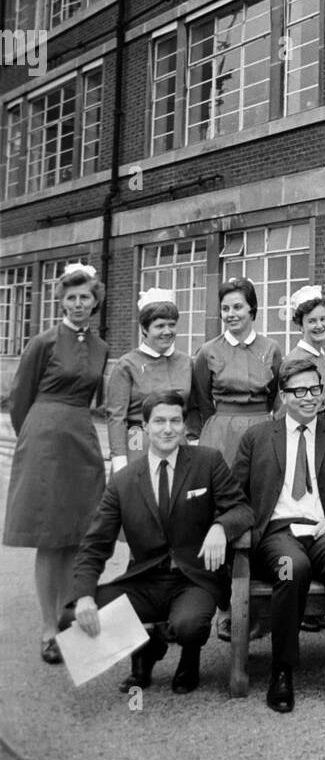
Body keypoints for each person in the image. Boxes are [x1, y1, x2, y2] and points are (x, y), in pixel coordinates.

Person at [65, 391, 253, 694]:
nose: (168, 429)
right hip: (146, 578)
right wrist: (85, 596)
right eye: (160, 421)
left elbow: (242, 509)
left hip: (194, 578)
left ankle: (189, 658)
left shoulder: (208, 462)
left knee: (189, 625)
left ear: (183, 425)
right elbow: (95, 545)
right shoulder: (124, 481)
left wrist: (220, 526)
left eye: (175, 421)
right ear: (145, 426)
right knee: (70, 620)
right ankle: (147, 646)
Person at [232, 357, 325, 713]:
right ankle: (282, 671)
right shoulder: (258, 437)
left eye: (315, 390)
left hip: (324, 527)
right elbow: (236, 494)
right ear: (283, 396)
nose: (309, 397)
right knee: (292, 567)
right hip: (278, 531)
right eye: (299, 390)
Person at [3, 262, 109, 666]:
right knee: (50, 538)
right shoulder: (43, 342)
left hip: (82, 440)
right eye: (70, 297)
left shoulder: (101, 347)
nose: (78, 303)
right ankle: (49, 630)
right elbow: (20, 399)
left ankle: (71, 620)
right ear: (60, 301)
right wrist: (37, 435)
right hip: (45, 441)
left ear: (95, 300)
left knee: (79, 534)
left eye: (85, 297)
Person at [190, 277, 282, 466]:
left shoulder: (271, 348)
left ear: (252, 308)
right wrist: (214, 427)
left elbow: (274, 394)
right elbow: (202, 398)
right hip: (221, 431)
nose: (231, 314)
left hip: (262, 426)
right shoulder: (208, 351)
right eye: (225, 309)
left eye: (237, 307)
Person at [105, 289, 198, 471]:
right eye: (160, 326)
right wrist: (120, 460)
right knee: (140, 490)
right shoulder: (127, 364)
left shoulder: (186, 362)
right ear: (144, 329)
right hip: (138, 438)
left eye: (172, 325)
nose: (167, 331)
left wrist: (194, 440)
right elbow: (116, 417)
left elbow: (194, 408)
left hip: (177, 438)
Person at [282, 285, 325, 419]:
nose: (319, 326)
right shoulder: (296, 360)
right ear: (301, 326)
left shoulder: (321, 355)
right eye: (312, 321)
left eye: (323, 319)